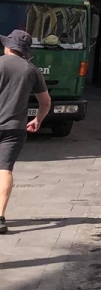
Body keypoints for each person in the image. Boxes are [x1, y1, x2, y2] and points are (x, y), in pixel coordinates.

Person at [0, 30, 51, 236]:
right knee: (4, 169)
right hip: (14, 128)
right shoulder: (31, 70)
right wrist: (38, 119)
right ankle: (0, 218)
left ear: (8, 46)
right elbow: (45, 102)